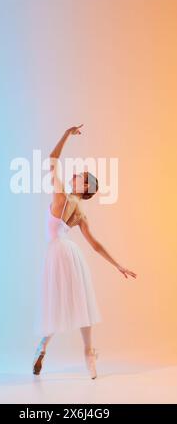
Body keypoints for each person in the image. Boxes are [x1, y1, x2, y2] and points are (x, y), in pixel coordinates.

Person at [33, 124, 137, 379]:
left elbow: (52, 159)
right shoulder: (80, 211)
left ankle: (42, 346)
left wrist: (67, 134)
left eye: (82, 175)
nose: (77, 173)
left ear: (84, 187)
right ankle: (89, 355)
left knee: (55, 305)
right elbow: (95, 244)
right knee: (82, 305)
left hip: (55, 254)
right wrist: (118, 265)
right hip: (71, 255)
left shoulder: (62, 195)